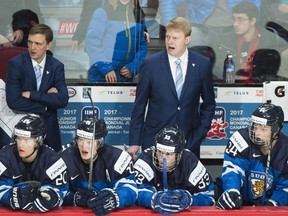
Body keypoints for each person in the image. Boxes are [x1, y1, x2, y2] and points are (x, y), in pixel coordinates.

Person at [128, 16, 216, 159]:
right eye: (168, 37)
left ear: (187, 40)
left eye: (175, 38)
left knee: (184, 181)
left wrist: (199, 134)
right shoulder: (151, 64)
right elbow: (139, 106)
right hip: (154, 140)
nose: (170, 42)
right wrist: (134, 142)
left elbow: (209, 104)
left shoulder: (202, 64)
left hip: (189, 141)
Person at [5, 24, 69, 152]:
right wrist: (46, 105)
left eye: (38, 44)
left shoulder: (57, 66)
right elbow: (13, 101)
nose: (32, 48)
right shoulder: (16, 64)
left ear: (48, 45)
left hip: (49, 128)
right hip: (21, 127)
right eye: (30, 42)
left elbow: (62, 99)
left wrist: (31, 94)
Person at [216, 103, 288, 209]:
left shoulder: (285, 150)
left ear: (276, 130)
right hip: (240, 203)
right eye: (255, 126)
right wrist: (232, 191)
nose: (257, 133)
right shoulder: (240, 139)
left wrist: (273, 204)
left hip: (269, 204)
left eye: (263, 129)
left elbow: (285, 187)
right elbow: (233, 171)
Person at [60, 118, 137, 215]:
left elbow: (131, 189)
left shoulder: (117, 158)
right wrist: (74, 198)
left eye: (89, 142)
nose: (84, 146)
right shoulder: (65, 158)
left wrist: (115, 198)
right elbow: (57, 191)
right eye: (81, 140)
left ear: (100, 143)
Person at [134, 126, 214, 214]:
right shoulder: (145, 159)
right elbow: (135, 191)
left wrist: (189, 200)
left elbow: (208, 196)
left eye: (168, 154)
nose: (162, 158)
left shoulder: (190, 161)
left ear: (179, 153)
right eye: (160, 152)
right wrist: (153, 199)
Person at [0, 115, 68, 212]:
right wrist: (12, 197)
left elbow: (61, 190)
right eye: (19, 138)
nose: (21, 144)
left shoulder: (53, 160)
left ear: (38, 141)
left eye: (26, 140)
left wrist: (50, 196)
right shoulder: (4, 156)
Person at [214, 1, 286, 83]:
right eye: (234, 19)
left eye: (240, 19)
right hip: (231, 87)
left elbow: (272, 73)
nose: (235, 24)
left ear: (252, 21)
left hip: (259, 87)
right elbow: (218, 69)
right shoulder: (224, 40)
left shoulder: (270, 40)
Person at [86, 0, 148, 82]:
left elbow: (142, 46)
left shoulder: (137, 13)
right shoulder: (102, 12)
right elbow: (92, 42)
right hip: (101, 76)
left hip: (125, 77)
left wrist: (133, 67)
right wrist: (106, 67)